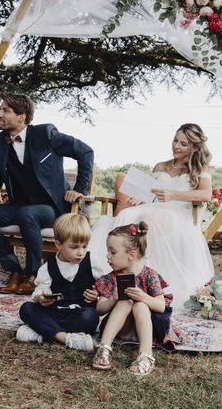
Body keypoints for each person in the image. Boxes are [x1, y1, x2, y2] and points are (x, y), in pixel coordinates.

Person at [0, 92, 94, 294]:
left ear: (22, 116)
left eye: (5, 110)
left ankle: (33, 274)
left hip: (52, 209)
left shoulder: (45, 134)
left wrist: (78, 190)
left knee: (26, 214)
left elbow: (86, 152)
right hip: (21, 206)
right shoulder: (1, 139)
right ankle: (14, 271)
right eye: (0, 109)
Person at [88, 123, 214, 307]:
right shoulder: (160, 166)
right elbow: (149, 192)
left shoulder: (200, 169)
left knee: (151, 221)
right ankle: (113, 274)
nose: (176, 146)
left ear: (195, 147)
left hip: (176, 214)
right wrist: (141, 198)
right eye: (175, 140)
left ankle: (144, 277)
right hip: (151, 208)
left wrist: (172, 195)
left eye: (184, 144)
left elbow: (205, 195)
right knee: (126, 216)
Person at [92, 222, 174, 376]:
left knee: (140, 305)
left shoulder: (150, 275)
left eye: (113, 252)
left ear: (132, 255)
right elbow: (99, 309)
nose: (107, 256)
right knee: (125, 301)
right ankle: (104, 348)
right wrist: (113, 298)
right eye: (107, 251)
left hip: (147, 328)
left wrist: (143, 297)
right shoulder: (111, 278)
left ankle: (145, 355)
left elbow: (161, 306)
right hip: (121, 329)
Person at [16, 213, 105, 351]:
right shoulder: (48, 267)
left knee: (91, 317)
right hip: (56, 312)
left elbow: (104, 285)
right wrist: (41, 298)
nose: (81, 252)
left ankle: (42, 331)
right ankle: (66, 338)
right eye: (74, 247)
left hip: (79, 313)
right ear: (58, 244)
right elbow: (40, 289)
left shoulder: (92, 261)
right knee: (26, 308)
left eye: (84, 246)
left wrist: (97, 293)